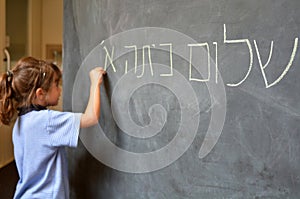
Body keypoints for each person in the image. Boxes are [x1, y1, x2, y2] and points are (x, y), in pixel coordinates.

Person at [0, 56, 106, 199]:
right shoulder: (46, 121)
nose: (60, 89)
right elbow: (91, 117)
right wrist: (95, 83)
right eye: (56, 84)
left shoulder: (21, 123)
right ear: (40, 94)